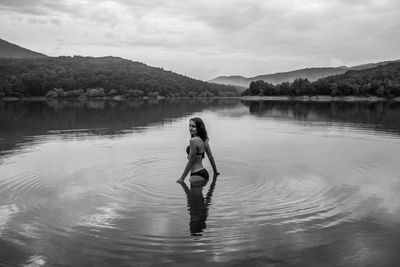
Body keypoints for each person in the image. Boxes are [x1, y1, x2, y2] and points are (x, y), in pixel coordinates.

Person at [176, 117, 219, 183]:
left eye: (193, 126)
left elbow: (191, 161)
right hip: (204, 173)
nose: (190, 128)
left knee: (190, 193)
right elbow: (210, 156)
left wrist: (182, 178)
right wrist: (215, 171)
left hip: (196, 174)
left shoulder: (193, 140)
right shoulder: (204, 139)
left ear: (199, 128)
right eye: (189, 125)